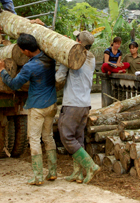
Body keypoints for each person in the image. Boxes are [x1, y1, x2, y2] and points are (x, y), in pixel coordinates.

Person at [0, 33, 57, 186]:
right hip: (52, 104)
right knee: (48, 137)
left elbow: (14, 84)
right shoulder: (50, 58)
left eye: (21, 50)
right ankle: (53, 172)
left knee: (34, 139)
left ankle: (37, 176)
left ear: (26, 51)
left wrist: (2, 70)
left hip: (37, 106)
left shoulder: (30, 66)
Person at [55, 30, 100, 184]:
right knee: (78, 138)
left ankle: (90, 166)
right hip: (85, 104)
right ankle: (77, 173)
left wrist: (61, 61)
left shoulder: (72, 56)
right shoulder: (92, 58)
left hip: (72, 103)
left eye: (76, 38)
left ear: (79, 42)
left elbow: (59, 78)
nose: (74, 39)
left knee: (66, 136)